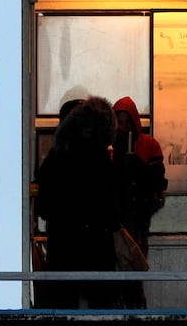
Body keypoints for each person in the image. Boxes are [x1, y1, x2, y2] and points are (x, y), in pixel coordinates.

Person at [36, 96, 121, 310]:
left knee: (64, 306)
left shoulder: (56, 158)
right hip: (97, 242)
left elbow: (44, 206)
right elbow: (112, 207)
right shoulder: (101, 159)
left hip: (63, 241)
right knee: (101, 307)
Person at [112, 95, 167, 309]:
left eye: (128, 122)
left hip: (138, 220)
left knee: (134, 273)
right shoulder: (109, 147)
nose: (124, 127)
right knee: (117, 276)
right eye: (120, 122)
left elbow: (157, 183)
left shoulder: (148, 145)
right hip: (116, 222)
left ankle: (134, 316)